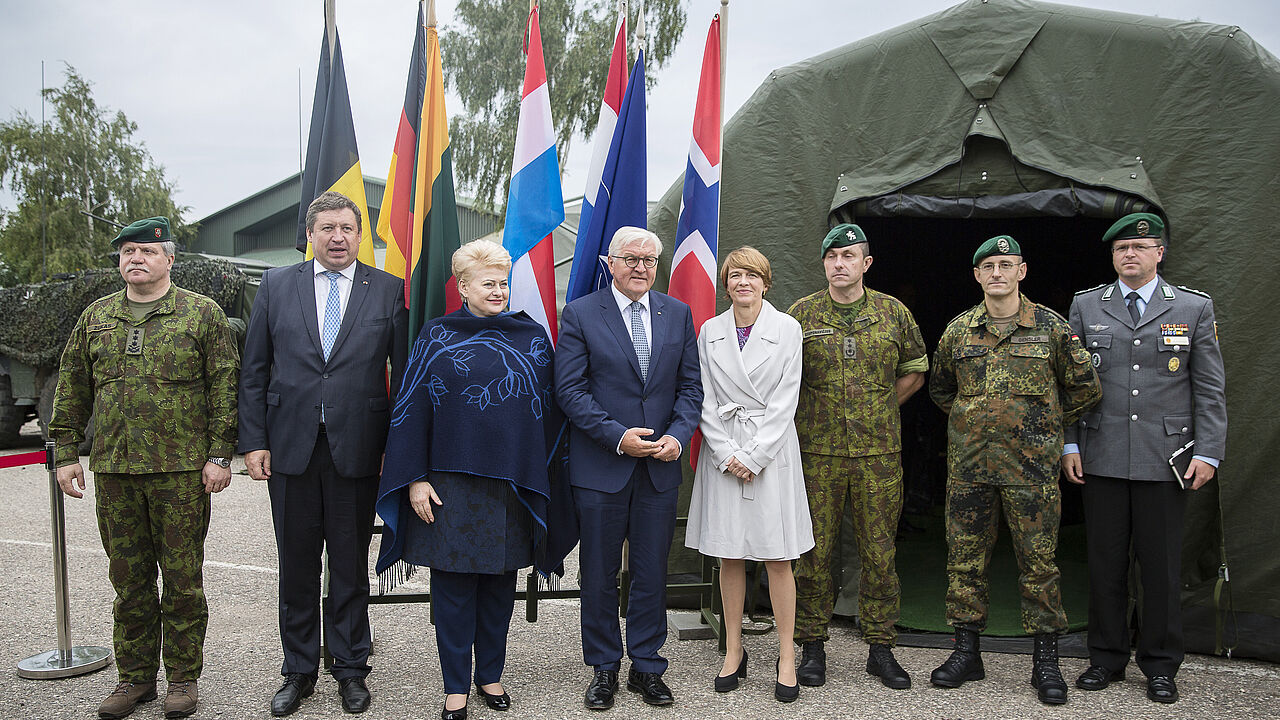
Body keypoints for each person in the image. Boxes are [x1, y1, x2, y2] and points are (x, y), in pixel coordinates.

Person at [373, 239, 574, 720]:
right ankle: (455, 688)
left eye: (504, 282)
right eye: (489, 283)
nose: (499, 290)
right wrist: (415, 478)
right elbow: (411, 410)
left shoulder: (530, 337)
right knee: (453, 590)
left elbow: (549, 415)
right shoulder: (436, 335)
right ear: (462, 286)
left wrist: (540, 476)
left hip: (510, 484)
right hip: (450, 485)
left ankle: (491, 675)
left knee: (500, 587)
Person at [49, 216, 239, 719]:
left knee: (182, 579)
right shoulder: (96, 317)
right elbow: (72, 388)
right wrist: (65, 453)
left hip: (180, 474)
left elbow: (225, 386)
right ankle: (134, 680)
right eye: (127, 252)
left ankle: (182, 679)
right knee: (128, 582)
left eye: (147, 252)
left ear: (169, 259)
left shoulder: (201, 315)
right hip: (115, 472)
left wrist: (220, 456)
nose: (136, 259)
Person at [238, 191, 408, 716]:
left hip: (359, 450)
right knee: (297, 567)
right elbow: (254, 371)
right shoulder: (275, 285)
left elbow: (402, 378)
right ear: (309, 235)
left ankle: (352, 669)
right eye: (327, 228)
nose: (338, 237)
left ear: (361, 236)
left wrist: (398, 453)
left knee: (351, 568)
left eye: (347, 228)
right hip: (290, 450)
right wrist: (254, 442)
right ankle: (299, 670)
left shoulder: (387, 291)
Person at [1061, 213, 1227, 704]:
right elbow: (1071, 385)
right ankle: (1105, 658)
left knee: (1159, 568)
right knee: (1105, 564)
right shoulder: (1087, 305)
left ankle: (1159, 664)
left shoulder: (1194, 309)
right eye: (1121, 249)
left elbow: (1209, 390)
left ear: (1160, 253)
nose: (1129, 254)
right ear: (1112, 257)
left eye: (1140, 246)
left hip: (1166, 458)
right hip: (1102, 455)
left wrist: (1210, 452)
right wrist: (1070, 444)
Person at [928, 235, 1101, 705]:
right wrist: (975, 422)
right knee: (965, 563)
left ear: (1022, 271)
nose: (998, 273)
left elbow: (1084, 388)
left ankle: (1045, 662)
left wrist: (1043, 427)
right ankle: (967, 653)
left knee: (1039, 566)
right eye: (989, 266)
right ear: (978, 276)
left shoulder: (1051, 328)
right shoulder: (959, 332)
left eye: (1007, 264)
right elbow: (943, 389)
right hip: (971, 468)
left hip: (1032, 472)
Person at [555, 226, 702, 711]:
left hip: (659, 470)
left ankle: (646, 666)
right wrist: (617, 436)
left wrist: (678, 437)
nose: (640, 267)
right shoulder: (580, 314)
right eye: (630, 259)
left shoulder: (677, 314)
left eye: (648, 260)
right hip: (603, 466)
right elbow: (570, 391)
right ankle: (603, 668)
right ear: (609, 263)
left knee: (650, 571)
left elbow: (690, 389)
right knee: (597, 573)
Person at [785, 223, 927, 690]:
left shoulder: (893, 313)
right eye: (832, 257)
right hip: (816, 453)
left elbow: (915, 370)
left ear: (866, 263)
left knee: (879, 552)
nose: (839, 264)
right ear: (823, 263)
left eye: (849, 256)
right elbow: (781, 378)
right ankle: (812, 645)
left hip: (877, 454)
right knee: (813, 552)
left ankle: (880, 648)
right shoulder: (800, 315)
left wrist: (882, 408)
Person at [686, 247, 814, 703]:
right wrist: (725, 453)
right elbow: (701, 396)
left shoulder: (788, 329)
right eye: (735, 275)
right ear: (726, 284)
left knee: (778, 556)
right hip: (726, 452)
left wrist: (754, 456)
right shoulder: (710, 331)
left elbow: (786, 399)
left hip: (771, 453)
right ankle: (734, 649)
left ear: (766, 282)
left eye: (752, 275)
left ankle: (784, 655)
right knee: (730, 555)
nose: (743, 282)